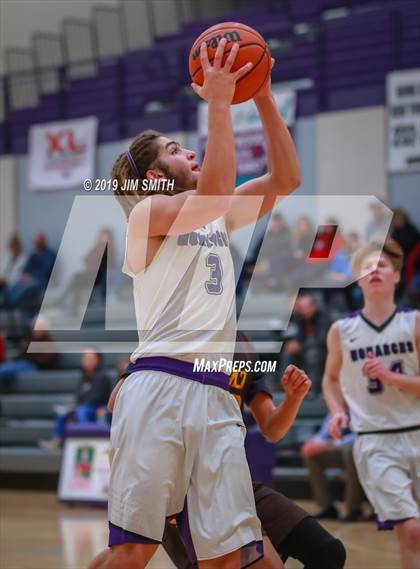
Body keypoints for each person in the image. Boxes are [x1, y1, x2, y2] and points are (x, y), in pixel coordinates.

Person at [89, 37, 301, 569]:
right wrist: (219, 103)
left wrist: (263, 95)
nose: (190, 151)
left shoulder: (216, 215)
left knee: (230, 558)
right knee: (134, 549)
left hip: (215, 397)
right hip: (159, 387)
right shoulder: (145, 218)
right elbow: (212, 190)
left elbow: (286, 179)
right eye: (176, 150)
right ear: (155, 176)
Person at [107, 331, 346, 569]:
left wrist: (294, 397)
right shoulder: (174, 339)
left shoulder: (242, 346)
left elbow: (272, 429)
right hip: (183, 487)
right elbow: (116, 400)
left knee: (327, 553)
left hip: (233, 477)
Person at [322, 237, 420, 569]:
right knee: (412, 531)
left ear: (396, 276)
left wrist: (394, 380)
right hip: (375, 441)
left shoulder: (415, 323)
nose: (374, 270)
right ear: (357, 279)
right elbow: (331, 378)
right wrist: (337, 412)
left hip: (417, 429)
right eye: (367, 266)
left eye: (382, 265)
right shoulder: (341, 330)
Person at [39, 348, 110, 449]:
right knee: (62, 412)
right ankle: (57, 441)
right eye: (85, 358)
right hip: (82, 406)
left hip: (96, 408)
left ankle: (85, 440)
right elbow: (78, 396)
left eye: (90, 358)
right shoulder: (83, 377)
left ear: (98, 360)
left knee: (82, 411)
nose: (87, 360)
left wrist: (81, 405)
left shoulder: (103, 377)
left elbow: (97, 397)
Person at [301, 413, 366, 521]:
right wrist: (313, 442)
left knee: (350, 452)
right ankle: (327, 507)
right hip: (338, 448)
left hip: (360, 451)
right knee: (311, 454)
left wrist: (332, 444)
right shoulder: (335, 406)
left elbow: (361, 435)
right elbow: (323, 434)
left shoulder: (359, 405)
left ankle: (353, 509)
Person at [279, 295, 330, 393]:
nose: (304, 311)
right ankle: (284, 386)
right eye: (301, 308)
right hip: (306, 349)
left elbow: (321, 341)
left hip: (322, 351)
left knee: (313, 355)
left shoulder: (324, 317)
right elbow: (294, 335)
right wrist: (294, 344)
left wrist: (300, 346)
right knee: (288, 352)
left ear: (313, 306)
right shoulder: (300, 318)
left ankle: (312, 389)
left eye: (306, 308)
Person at [0, 317, 57, 388]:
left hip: (35, 366)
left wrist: (30, 358)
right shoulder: (31, 340)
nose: (36, 330)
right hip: (25, 363)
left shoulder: (48, 342)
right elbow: (22, 353)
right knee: (6, 367)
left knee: (5, 371)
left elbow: (47, 360)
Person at [6, 232, 56, 308]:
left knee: (26, 288)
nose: (36, 243)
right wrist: (25, 276)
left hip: (42, 280)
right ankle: (7, 300)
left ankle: (12, 302)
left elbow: (46, 271)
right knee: (16, 285)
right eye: (36, 241)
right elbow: (26, 269)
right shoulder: (33, 255)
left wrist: (31, 276)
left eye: (39, 241)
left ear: (43, 241)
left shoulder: (50, 254)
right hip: (30, 279)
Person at [0, 233, 27, 305]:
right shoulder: (9, 258)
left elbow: (21, 277)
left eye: (14, 246)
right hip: (4, 284)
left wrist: (6, 281)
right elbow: (3, 271)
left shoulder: (24, 259)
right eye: (11, 246)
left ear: (18, 246)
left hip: (14, 286)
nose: (12, 248)